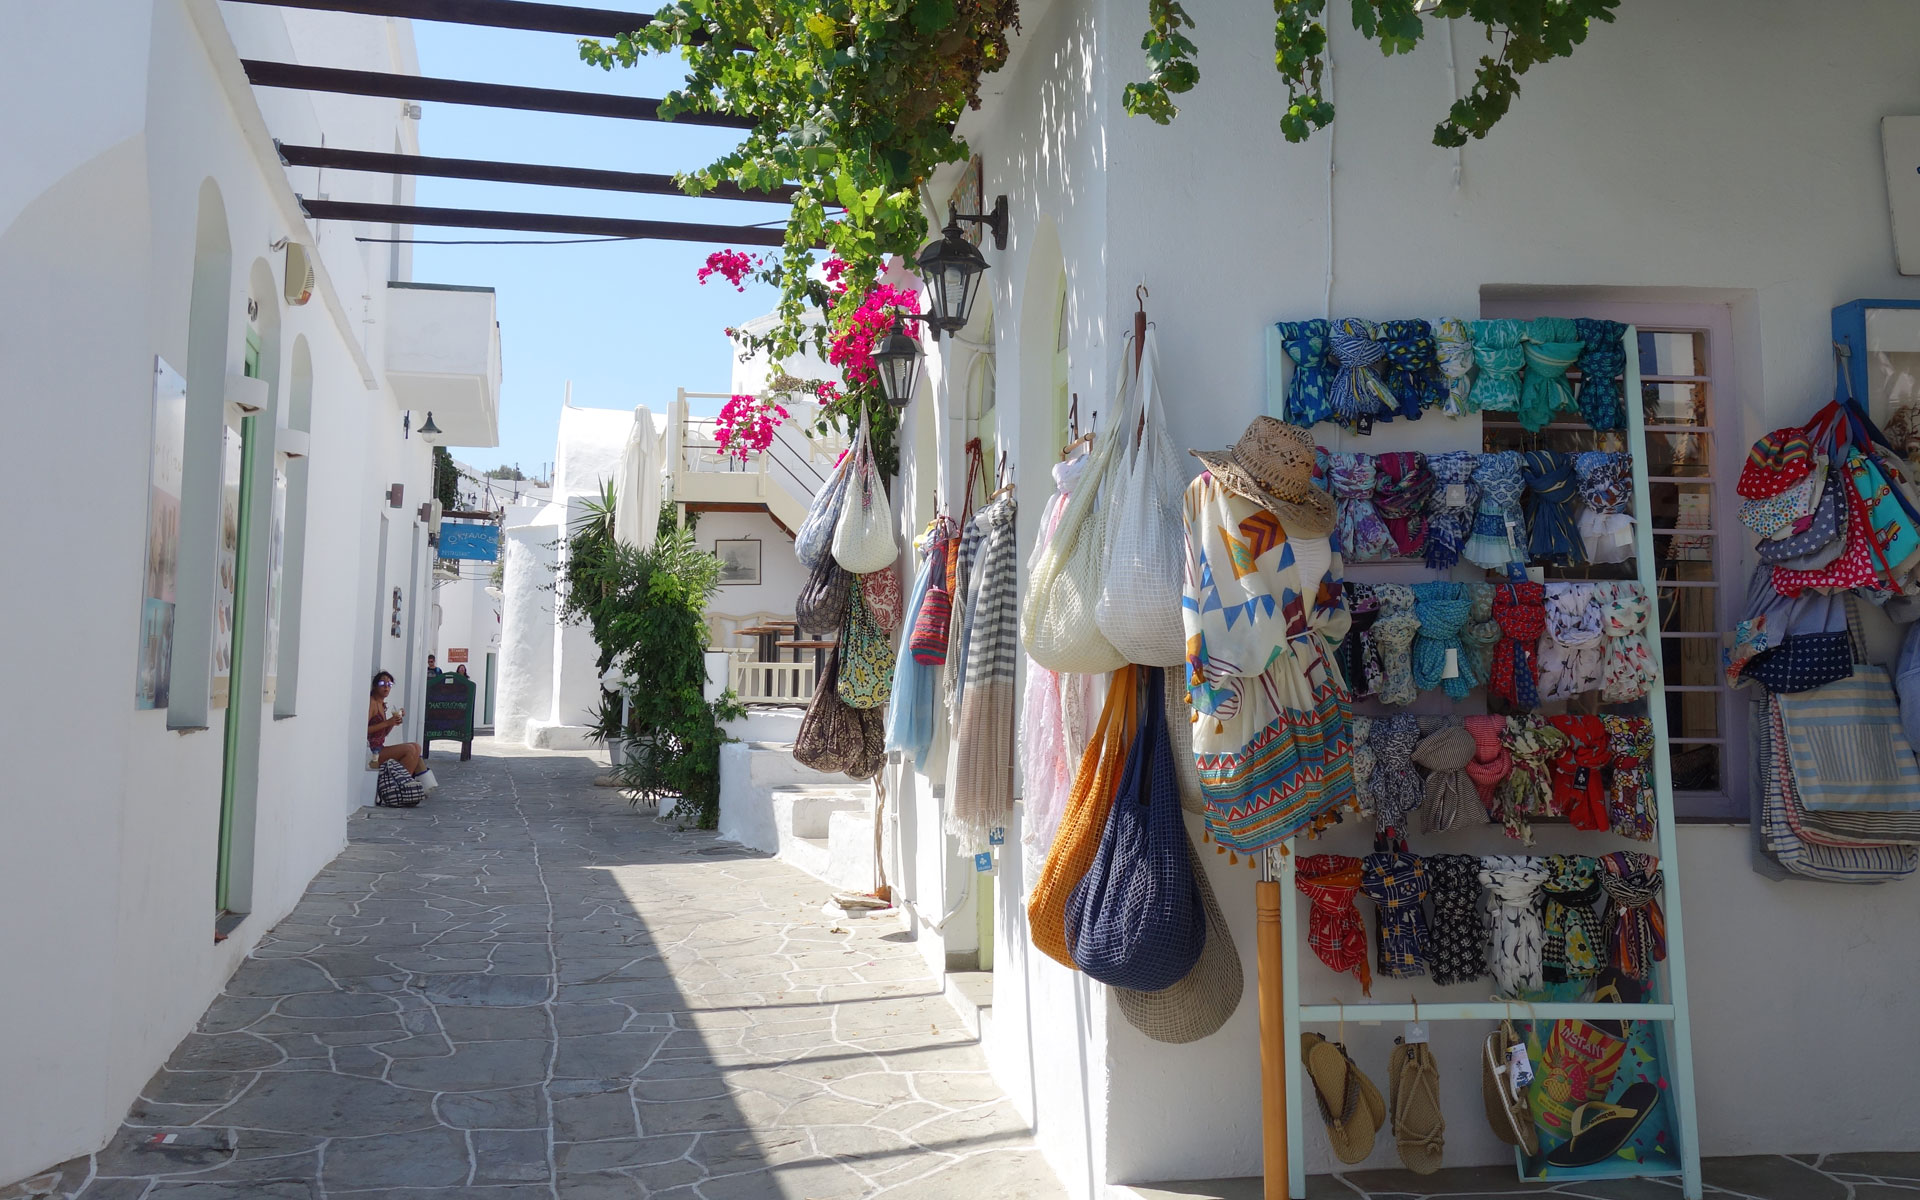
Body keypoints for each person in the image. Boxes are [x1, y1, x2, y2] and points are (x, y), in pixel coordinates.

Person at [368, 671, 436, 789]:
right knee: (410, 750)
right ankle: (401, 787)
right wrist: (388, 722)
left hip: (379, 747)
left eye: (389, 684)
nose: (386, 687)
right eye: (382, 683)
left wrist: (393, 722)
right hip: (373, 751)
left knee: (416, 747)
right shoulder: (372, 703)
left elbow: (383, 733)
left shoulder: (381, 704)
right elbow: (365, 730)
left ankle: (407, 784)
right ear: (375, 685)